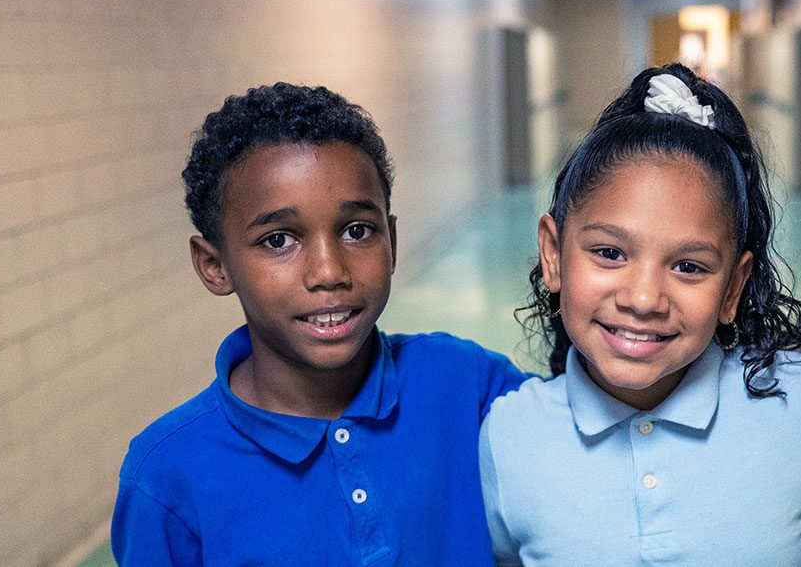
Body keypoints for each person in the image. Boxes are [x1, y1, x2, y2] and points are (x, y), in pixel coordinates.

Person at [111, 83, 527, 565]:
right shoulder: (166, 475)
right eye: (278, 240)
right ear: (214, 265)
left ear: (390, 239)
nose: (329, 272)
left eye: (357, 231)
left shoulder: (464, 381)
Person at [481, 64, 801, 565]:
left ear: (733, 287)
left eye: (688, 266)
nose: (645, 299)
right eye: (609, 253)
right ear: (553, 254)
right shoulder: (509, 434)